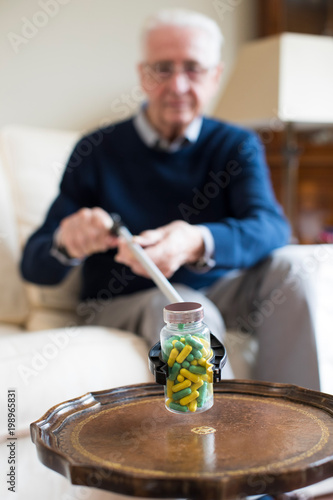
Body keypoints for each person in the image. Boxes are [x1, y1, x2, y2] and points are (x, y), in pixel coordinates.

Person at [20, 9, 320, 390]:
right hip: (127, 301)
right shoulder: (95, 150)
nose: (178, 85)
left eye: (193, 68)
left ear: (215, 76)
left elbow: (272, 228)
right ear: (143, 75)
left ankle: (305, 435)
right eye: (163, 68)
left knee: (294, 271)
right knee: (188, 312)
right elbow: (34, 265)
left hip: (221, 287)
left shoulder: (236, 144)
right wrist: (66, 241)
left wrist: (196, 241)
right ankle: (218, 442)